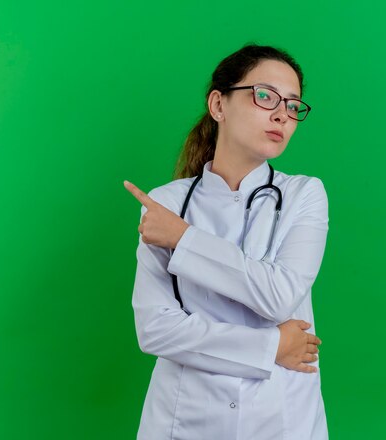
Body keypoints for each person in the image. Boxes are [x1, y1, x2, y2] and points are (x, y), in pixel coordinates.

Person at [124, 43, 329, 440]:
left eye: (292, 106)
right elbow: (155, 330)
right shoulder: (166, 203)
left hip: (281, 419)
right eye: (265, 95)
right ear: (218, 104)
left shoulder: (305, 195)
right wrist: (273, 346)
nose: (281, 115)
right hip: (185, 421)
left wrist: (183, 239)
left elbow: (279, 296)